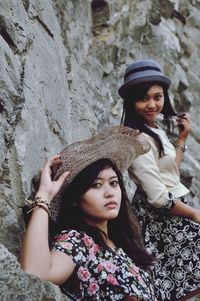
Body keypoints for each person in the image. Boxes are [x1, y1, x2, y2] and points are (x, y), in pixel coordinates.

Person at [20, 126, 158, 301]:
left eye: (114, 183)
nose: (109, 192)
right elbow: (35, 274)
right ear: (75, 200)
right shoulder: (78, 241)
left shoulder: (125, 246)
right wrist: (44, 196)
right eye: (96, 185)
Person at [118, 59, 200, 301]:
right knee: (174, 285)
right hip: (161, 221)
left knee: (181, 283)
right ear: (131, 101)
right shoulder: (136, 139)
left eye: (158, 97)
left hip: (174, 213)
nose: (152, 104)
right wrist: (195, 215)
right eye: (144, 98)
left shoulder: (153, 128)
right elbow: (158, 197)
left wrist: (182, 139)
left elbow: (168, 173)